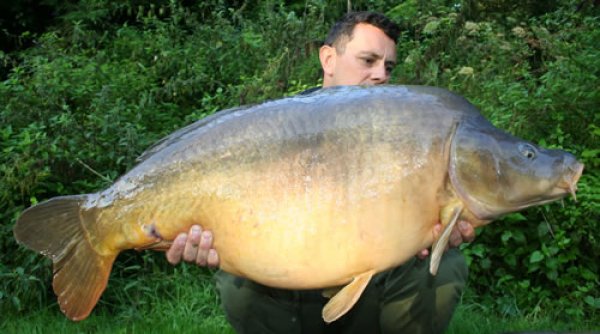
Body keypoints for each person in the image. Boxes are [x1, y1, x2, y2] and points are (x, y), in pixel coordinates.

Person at [166, 11, 475, 334]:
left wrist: (441, 224)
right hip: (287, 284)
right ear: (328, 59)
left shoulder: (402, 135)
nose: (381, 74)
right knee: (237, 283)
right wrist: (199, 235)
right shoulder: (281, 126)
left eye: (388, 67)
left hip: (370, 282)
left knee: (444, 267)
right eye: (368, 60)